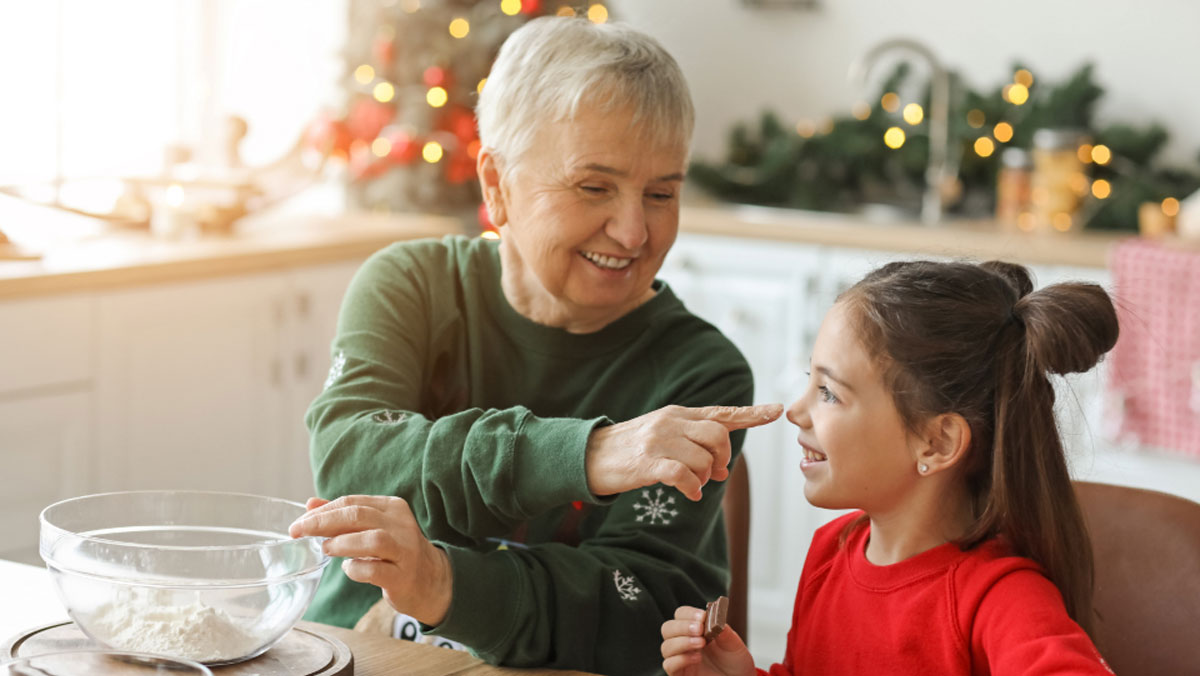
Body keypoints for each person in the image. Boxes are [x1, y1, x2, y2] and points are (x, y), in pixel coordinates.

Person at [287, 15, 782, 675]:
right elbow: (351, 460)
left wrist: (443, 584)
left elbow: (645, 607)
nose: (635, 232)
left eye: (661, 192)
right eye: (594, 187)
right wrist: (589, 454)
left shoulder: (699, 371)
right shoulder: (411, 285)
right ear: (497, 186)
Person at [661, 260, 1119, 675]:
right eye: (810, 382)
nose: (795, 411)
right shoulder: (829, 552)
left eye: (829, 393)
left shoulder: (1001, 597)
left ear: (936, 442)